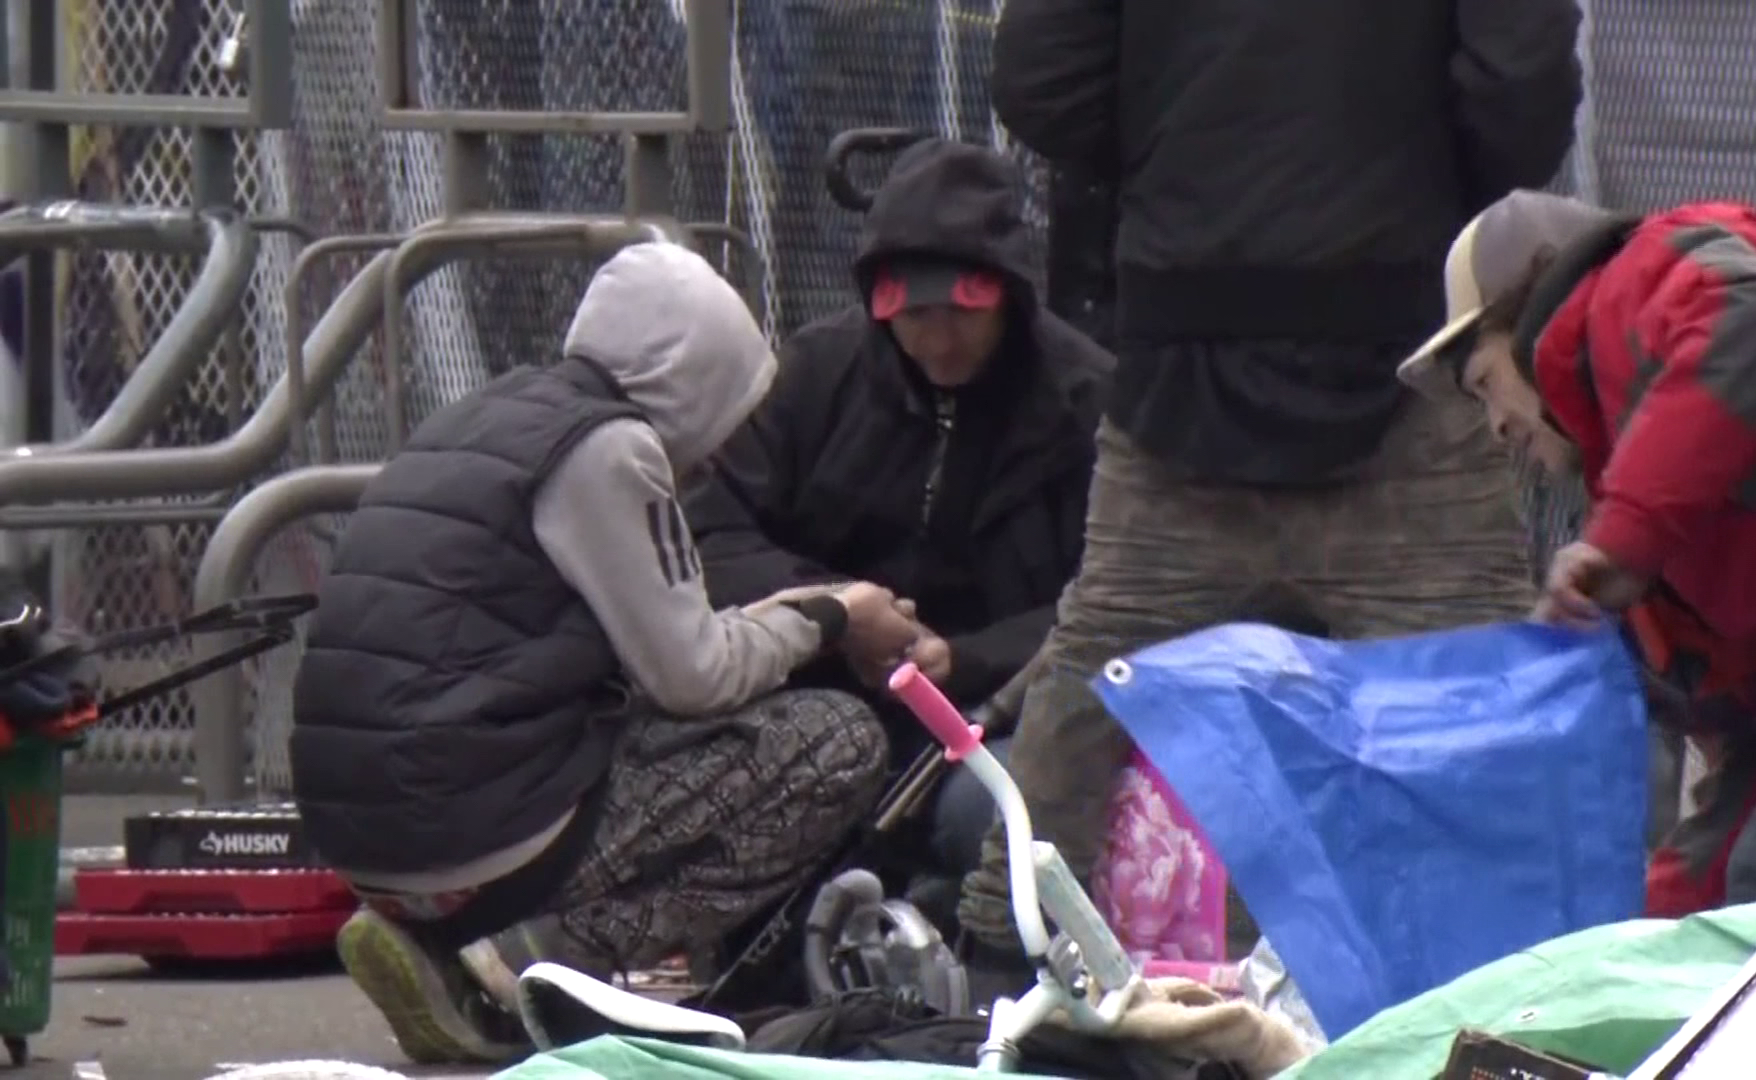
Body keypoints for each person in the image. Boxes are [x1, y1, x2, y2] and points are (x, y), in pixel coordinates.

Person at [955, 0, 1583, 980]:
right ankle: (1518, 993)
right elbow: (1522, 91)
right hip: (1400, 337)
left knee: (1097, 674)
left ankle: (998, 964)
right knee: (1471, 702)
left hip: (1181, 343)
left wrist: (1184, 165)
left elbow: (1041, 78)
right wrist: (1412, 174)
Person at [289, 243, 916, 1065]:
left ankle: (444, 941)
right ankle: (542, 956)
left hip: (365, 826)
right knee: (833, 742)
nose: (721, 452)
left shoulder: (486, 414)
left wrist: (800, 613)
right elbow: (696, 676)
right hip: (467, 823)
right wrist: (837, 616)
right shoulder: (610, 449)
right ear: (693, 384)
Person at [1395, 188, 1756, 913]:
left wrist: (1623, 537)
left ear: (1526, 326)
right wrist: (1640, 943)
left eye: (1486, 384)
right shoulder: (1670, 494)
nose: (1496, 428)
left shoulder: (1633, 285)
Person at [683, 138, 1112, 878]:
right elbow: (708, 534)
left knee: (992, 821)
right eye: (914, 317)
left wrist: (970, 658)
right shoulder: (815, 376)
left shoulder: (1085, 400)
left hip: (998, 713)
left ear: (1007, 295)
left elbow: (1111, 596)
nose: (937, 341)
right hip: (813, 691)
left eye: (961, 315)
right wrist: (836, 612)